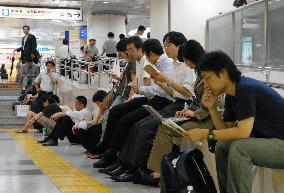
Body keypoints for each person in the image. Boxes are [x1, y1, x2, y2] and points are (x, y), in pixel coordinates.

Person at [185, 51, 284, 193]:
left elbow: (243, 132)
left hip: (280, 144)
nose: (205, 85)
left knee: (239, 148)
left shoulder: (245, 89)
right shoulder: (233, 93)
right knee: (222, 146)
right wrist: (212, 108)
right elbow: (225, 129)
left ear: (223, 73)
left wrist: (205, 134)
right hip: (270, 140)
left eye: (207, 78)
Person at [110, 34, 196, 183]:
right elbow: (174, 93)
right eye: (164, 46)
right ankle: (125, 164)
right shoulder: (175, 65)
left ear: (180, 46)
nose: (165, 49)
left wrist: (166, 81)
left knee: (144, 127)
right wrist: (161, 81)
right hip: (174, 102)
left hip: (182, 105)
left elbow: (187, 93)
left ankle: (134, 167)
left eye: (168, 45)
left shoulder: (186, 66)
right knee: (138, 125)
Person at [93, 37, 174, 169]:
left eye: (131, 50)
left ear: (143, 51)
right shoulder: (149, 62)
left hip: (154, 98)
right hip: (149, 97)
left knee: (127, 121)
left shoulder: (148, 63)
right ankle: (109, 151)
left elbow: (154, 88)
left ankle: (116, 157)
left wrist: (138, 91)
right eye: (127, 50)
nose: (128, 53)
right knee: (115, 112)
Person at [145, 40, 214, 183]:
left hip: (208, 119)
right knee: (166, 125)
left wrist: (195, 113)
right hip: (199, 112)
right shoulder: (200, 71)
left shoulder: (206, 73)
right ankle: (159, 168)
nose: (187, 64)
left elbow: (210, 101)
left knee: (167, 127)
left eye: (187, 61)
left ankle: (159, 171)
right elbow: (200, 100)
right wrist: (190, 110)